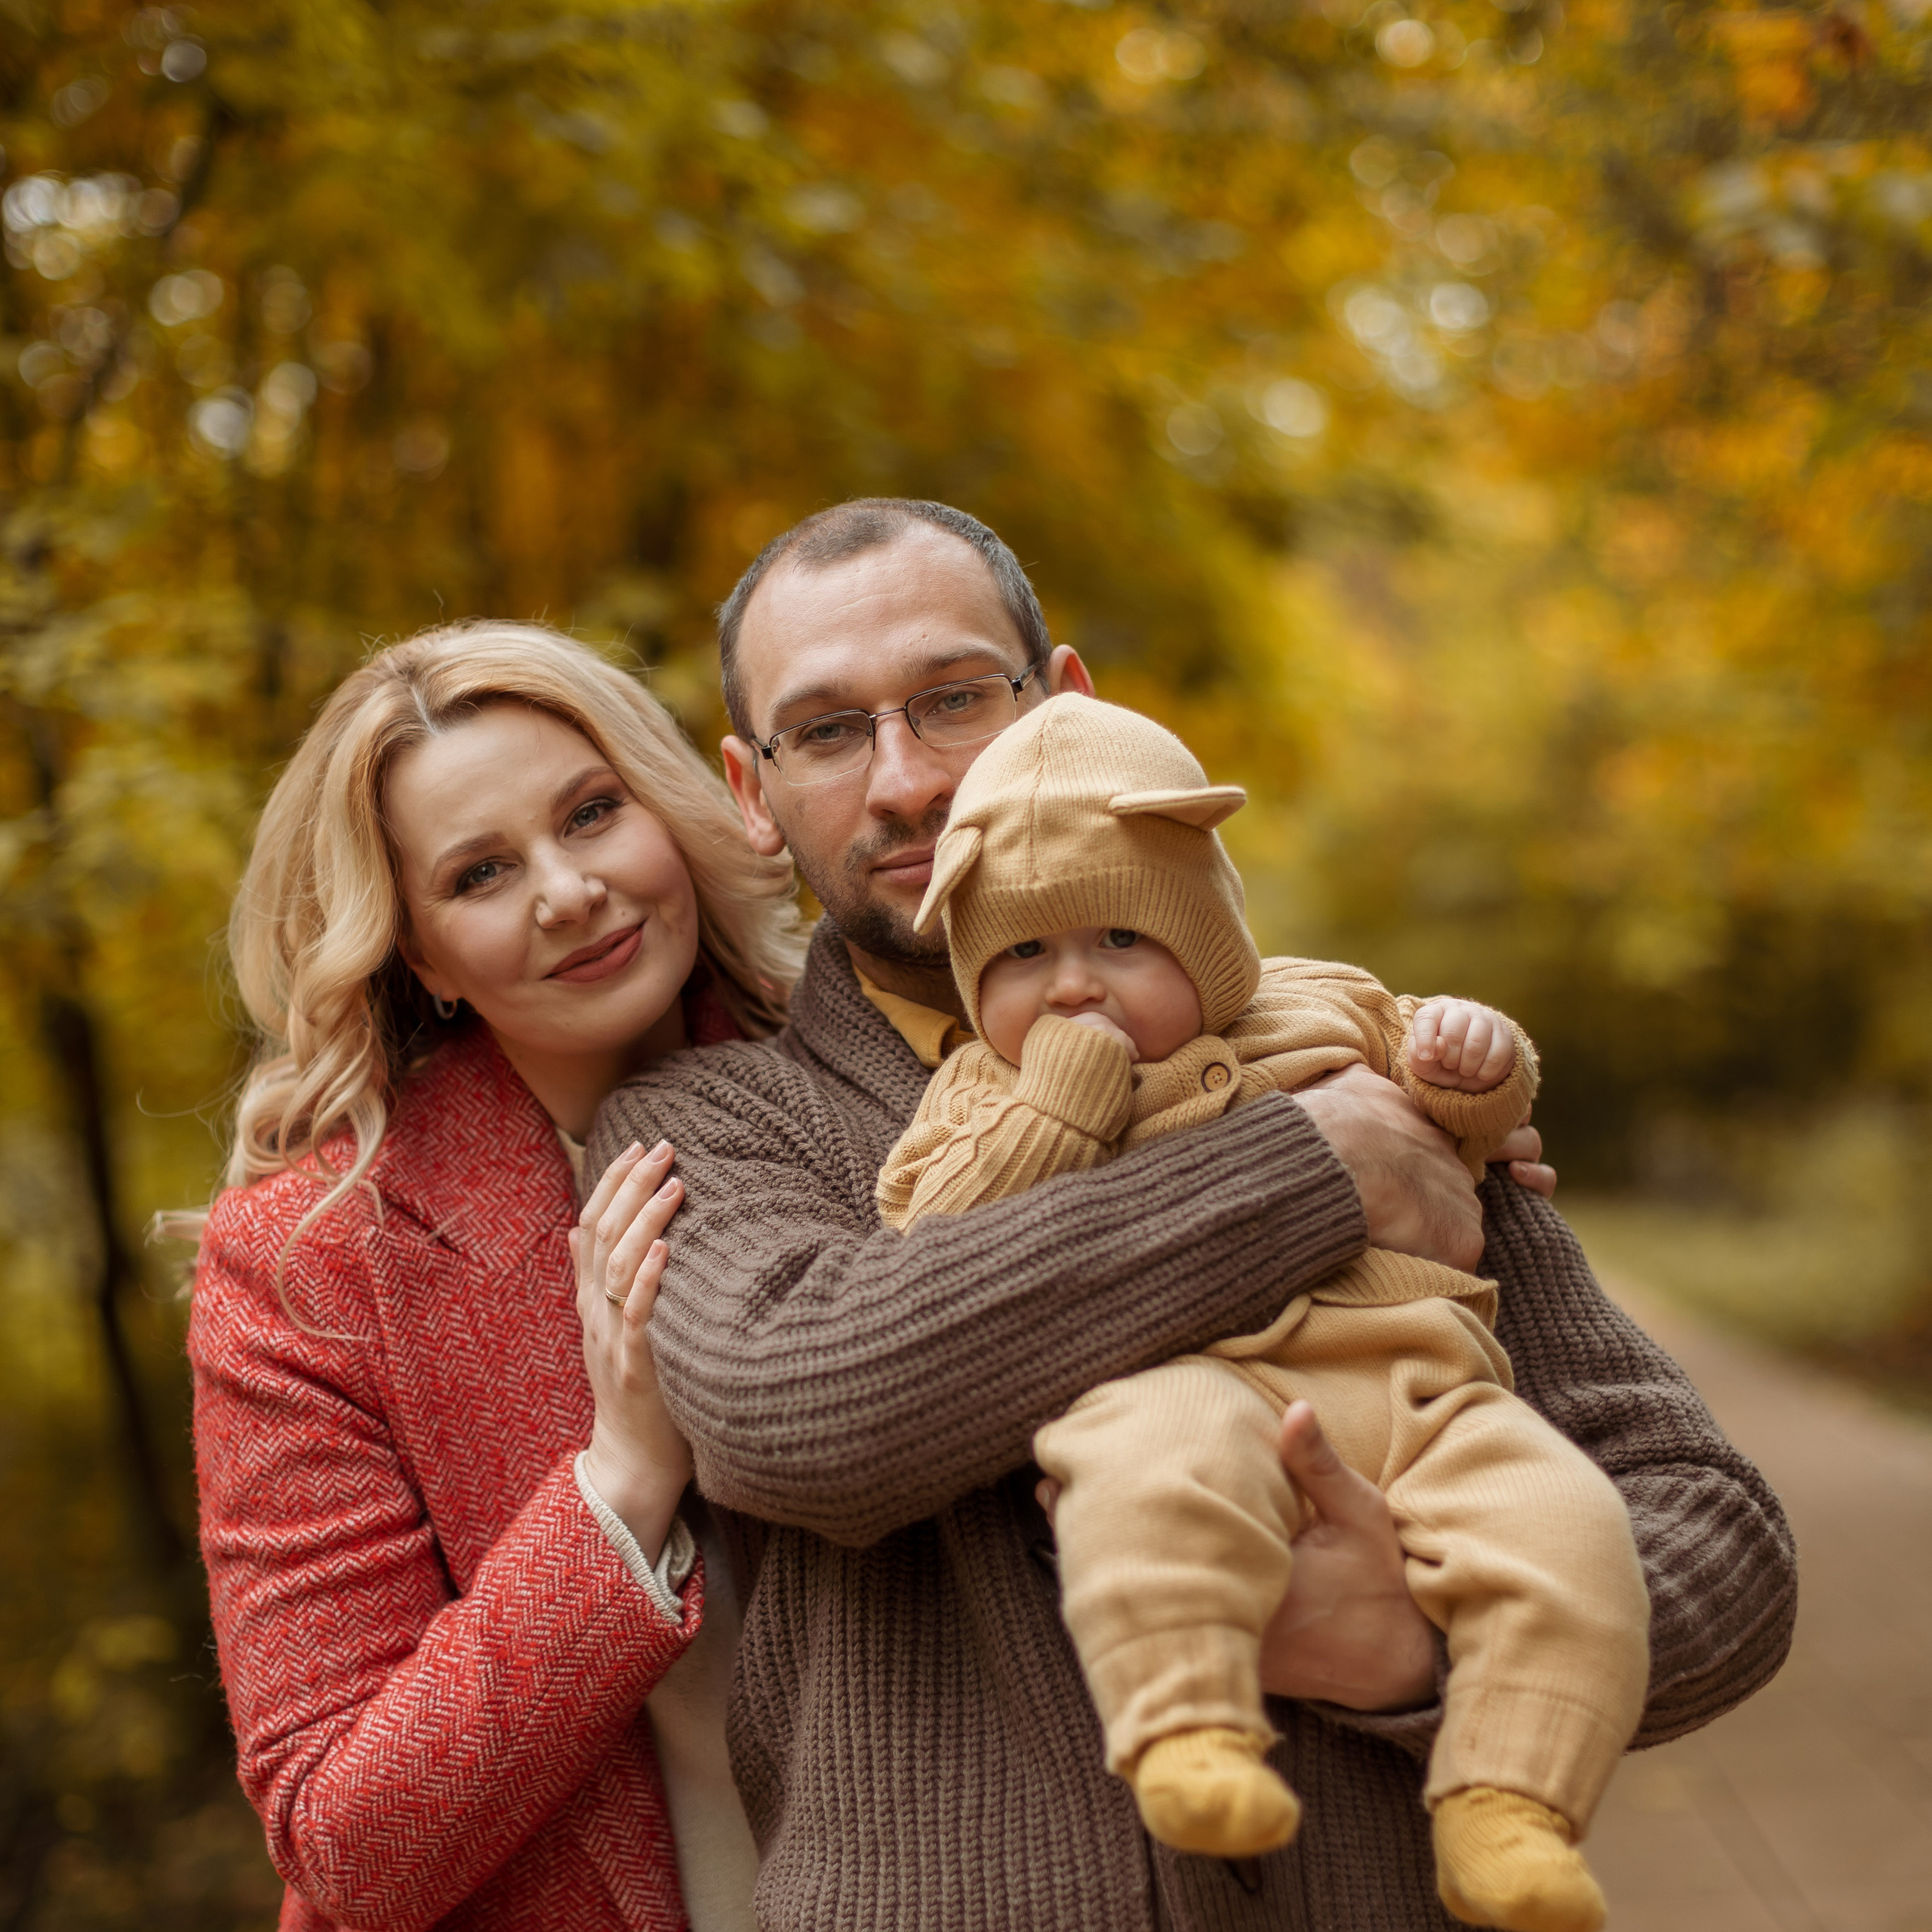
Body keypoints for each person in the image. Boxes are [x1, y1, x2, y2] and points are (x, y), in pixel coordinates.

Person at [586, 497, 1798, 1932]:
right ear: (751, 787)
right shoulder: (714, 1123)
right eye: (830, 731)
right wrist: (1308, 1177)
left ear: (1069, 706)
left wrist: (1419, 1646)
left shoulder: (1341, 1053)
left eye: (954, 698)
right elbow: (807, 1414)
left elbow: (1713, 1529)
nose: (905, 781)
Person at [877, 692, 1651, 1932]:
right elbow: (936, 1238)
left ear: (1211, 940)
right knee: (1141, 1471)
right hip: (1198, 1384)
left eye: (1121, 938)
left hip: (1420, 1390)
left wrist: (1479, 1064)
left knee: (1564, 1524)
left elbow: (1466, 1126)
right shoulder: (979, 1091)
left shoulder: (1321, 1006)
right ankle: (1187, 1730)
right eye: (1023, 957)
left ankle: (1508, 1804)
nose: (1072, 988)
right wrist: (1064, 1102)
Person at [185, 621, 802, 1932]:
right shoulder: (308, 1270)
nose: (567, 891)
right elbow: (346, 1842)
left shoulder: (873, 1086)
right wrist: (622, 1486)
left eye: (592, 813)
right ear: (420, 956)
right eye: (480, 873)